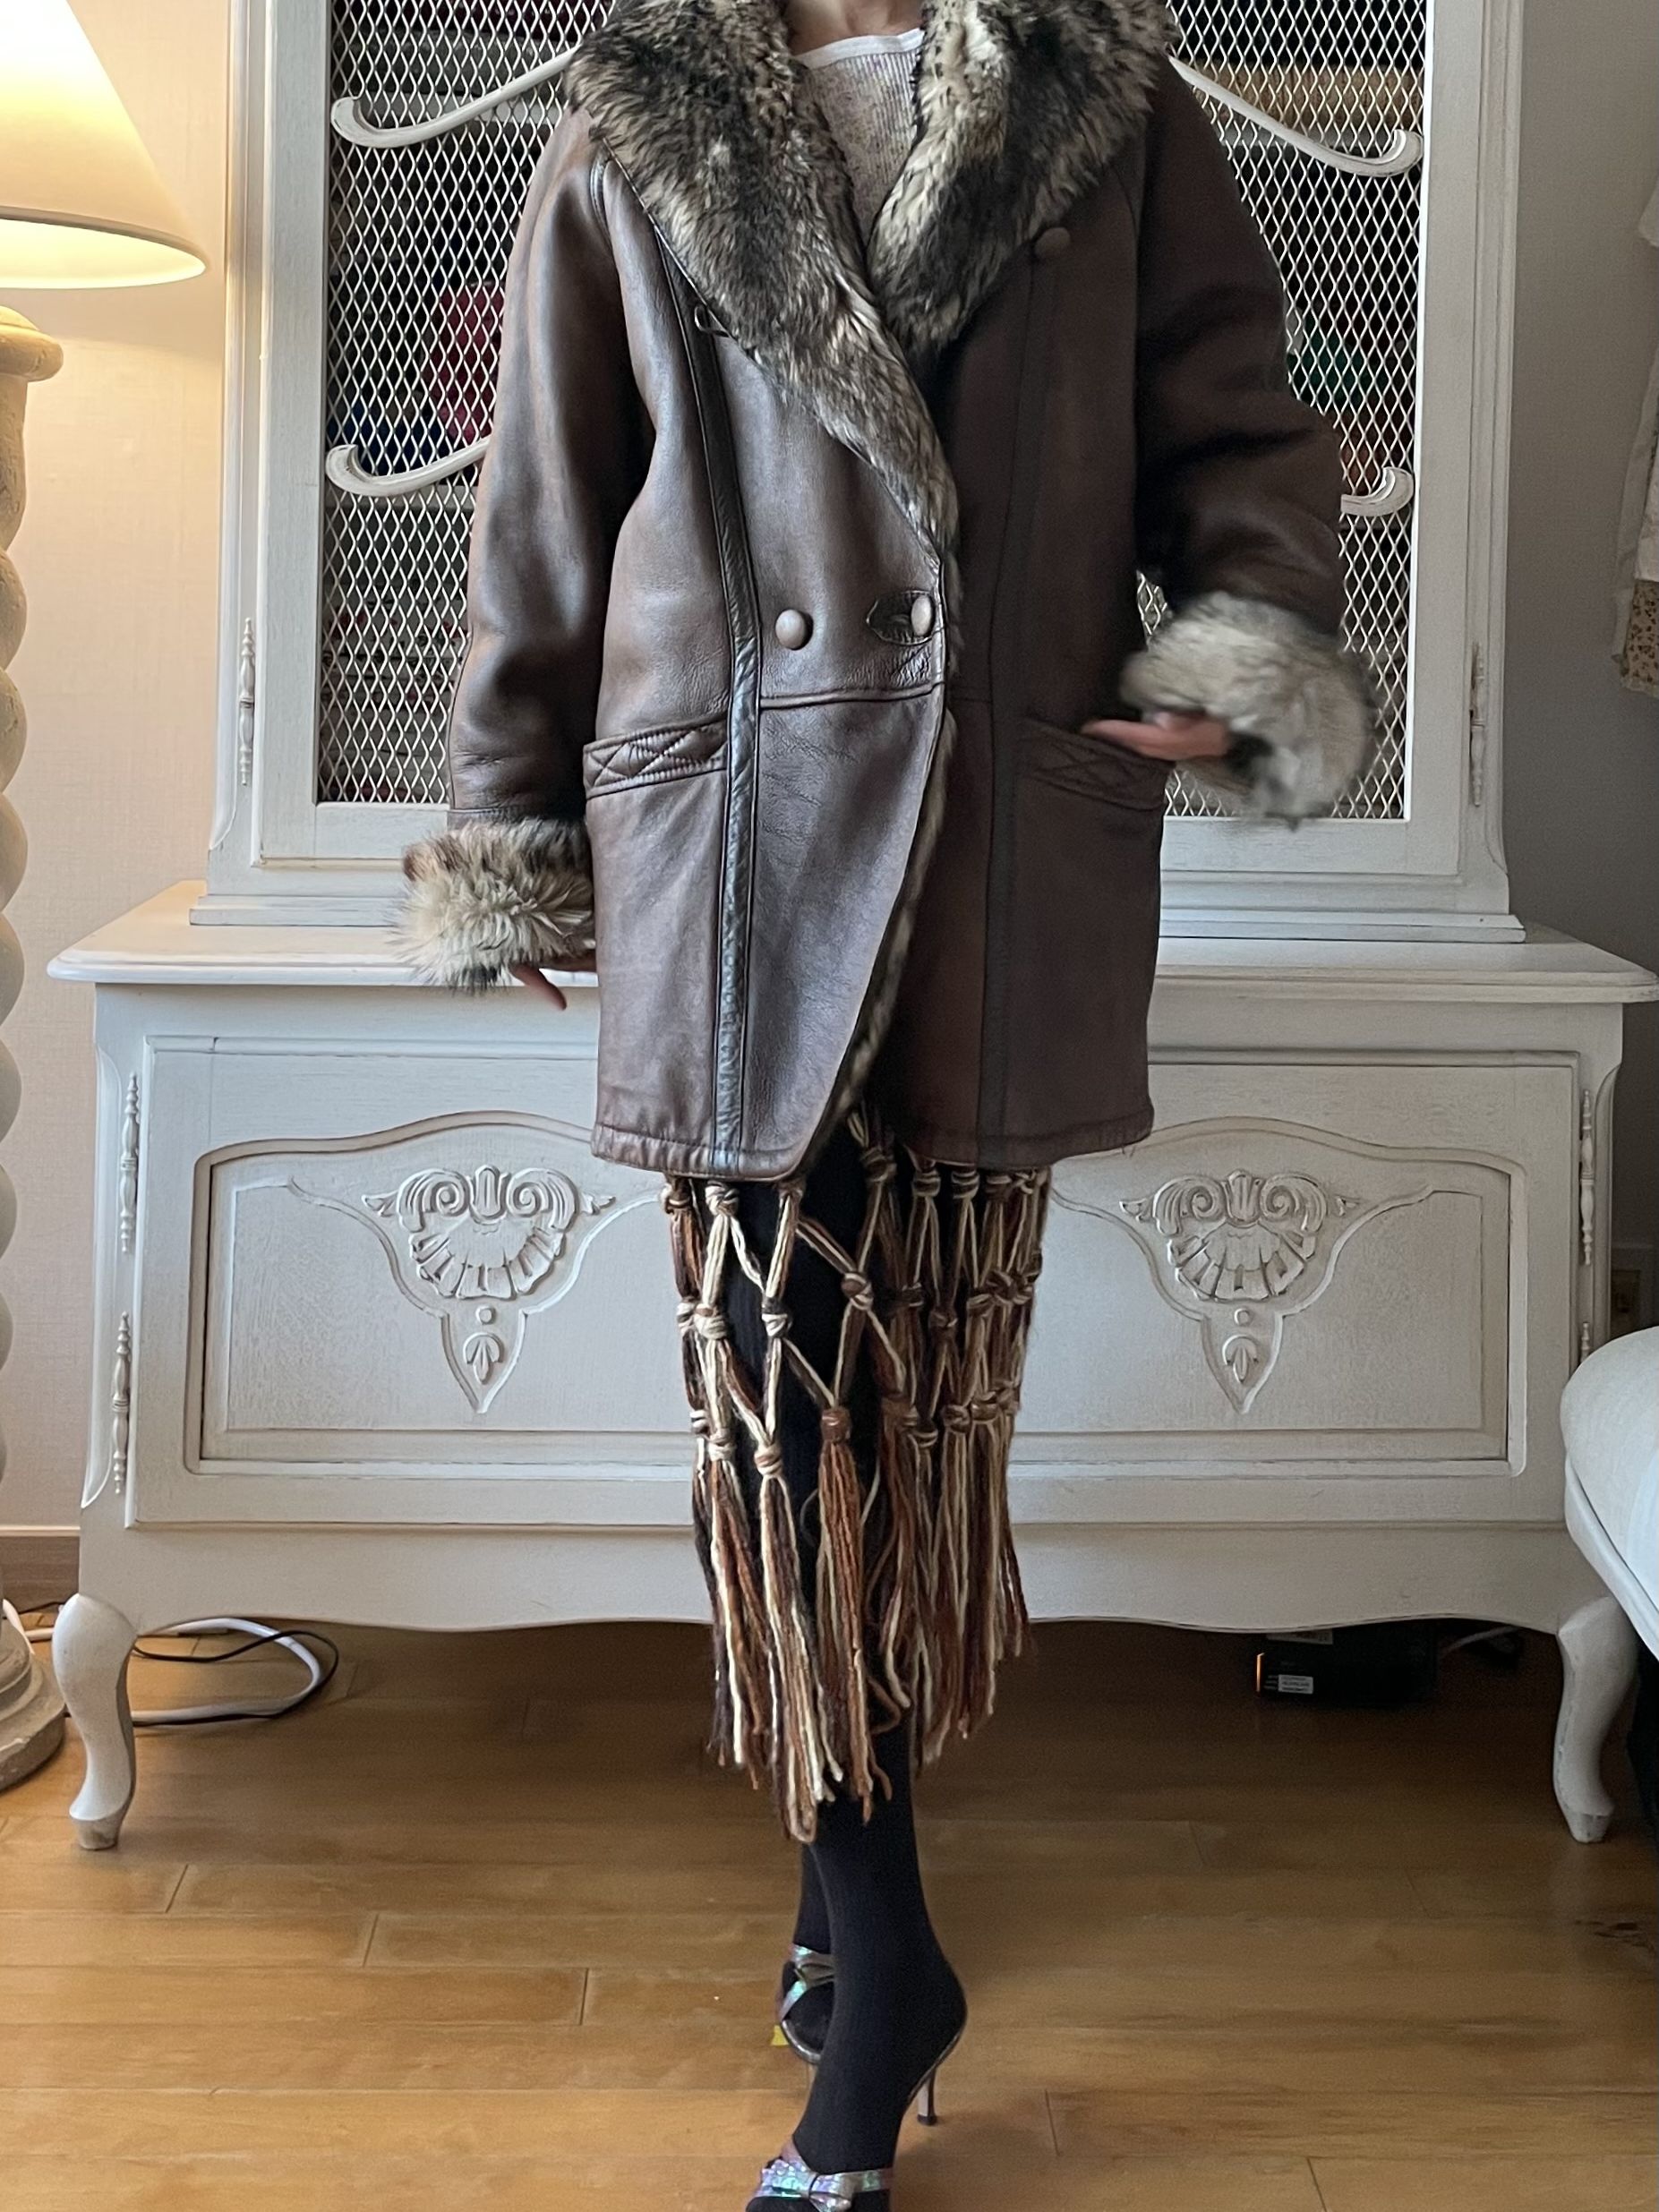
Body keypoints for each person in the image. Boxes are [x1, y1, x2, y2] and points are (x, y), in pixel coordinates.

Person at [400, 0, 1373, 2199]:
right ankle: (890, 1954)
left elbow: (1240, 419)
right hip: (731, 850)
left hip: (997, 855)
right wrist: (511, 826)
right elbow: (547, 506)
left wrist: (1239, 653)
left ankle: (848, 1909)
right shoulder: (637, 114)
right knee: (782, 1420)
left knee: (918, 1434)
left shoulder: (1101, 103)